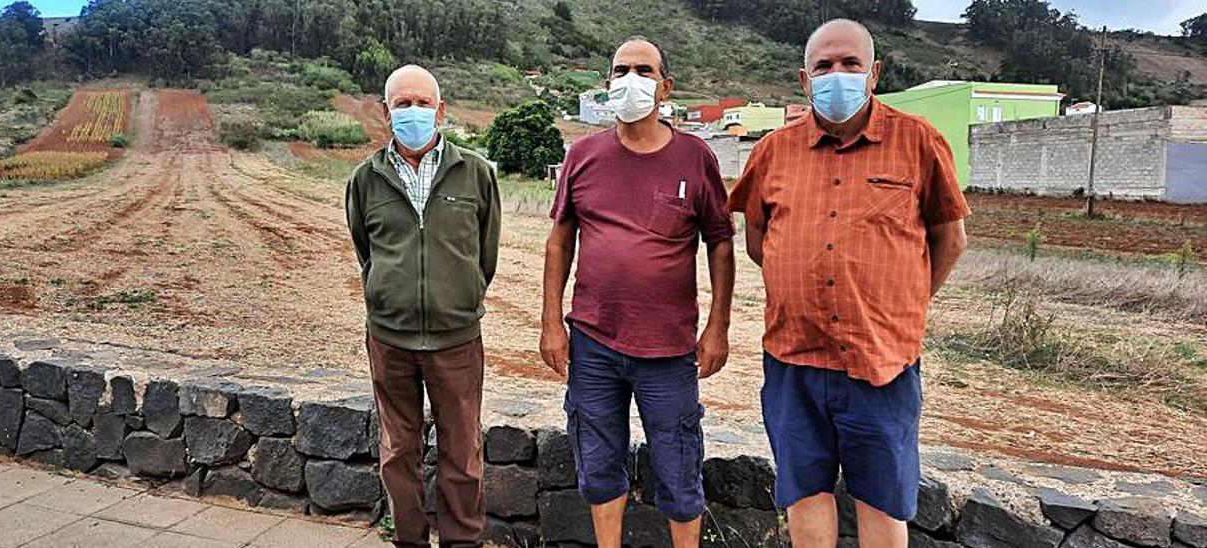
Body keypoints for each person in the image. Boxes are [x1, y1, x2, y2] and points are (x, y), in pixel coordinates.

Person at [727, 19, 970, 548]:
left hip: (880, 361)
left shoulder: (918, 141)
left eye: (850, 64)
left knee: (881, 500)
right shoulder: (773, 150)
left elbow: (949, 239)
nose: (837, 75)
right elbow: (758, 241)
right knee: (804, 494)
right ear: (805, 79)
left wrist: (899, 305)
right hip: (794, 358)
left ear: (874, 72)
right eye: (824, 66)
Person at [539, 36, 737, 548]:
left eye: (644, 71)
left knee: (678, 466)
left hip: (670, 350)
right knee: (599, 463)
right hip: (593, 342)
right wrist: (550, 324)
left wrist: (718, 328)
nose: (632, 80)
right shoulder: (583, 155)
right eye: (621, 70)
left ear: (665, 86)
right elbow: (560, 241)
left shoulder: (695, 157)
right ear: (607, 85)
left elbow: (720, 244)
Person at [344, 64, 501, 548]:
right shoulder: (365, 180)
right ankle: (408, 539)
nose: (414, 112)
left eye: (423, 103)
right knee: (398, 451)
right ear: (385, 112)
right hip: (389, 340)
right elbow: (365, 252)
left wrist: (461, 296)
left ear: (441, 110)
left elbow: (485, 254)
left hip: (456, 340)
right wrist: (387, 297)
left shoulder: (475, 172)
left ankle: (462, 542)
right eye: (403, 104)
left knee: (462, 450)